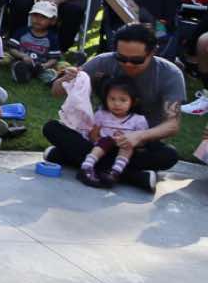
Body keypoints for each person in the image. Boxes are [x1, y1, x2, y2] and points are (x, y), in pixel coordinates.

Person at [44, 25, 186, 187]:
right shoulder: (103, 62)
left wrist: (139, 136)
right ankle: (132, 175)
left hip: (139, 143)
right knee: (51, 128)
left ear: (152, 52)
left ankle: (70, 158)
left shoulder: (169, 74)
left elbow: (172, 125)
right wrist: (66, 79)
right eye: (121, 58)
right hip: (99, 137)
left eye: (136, 60)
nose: (128, 64)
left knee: (168, 155)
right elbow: (56, 92)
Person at [79, 78, 150, 187]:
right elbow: (93, 134)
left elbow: (142, 141)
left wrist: (128, 140)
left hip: (124, 148)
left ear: (133, 101)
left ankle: (115, 172)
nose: (116, 104)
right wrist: (98, 140)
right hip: (102, 146)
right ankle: (86, 167)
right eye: (112, 99)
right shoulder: (101, 114)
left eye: (123, 100)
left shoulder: (138, 120)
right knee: (105, 141)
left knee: (127, 144)